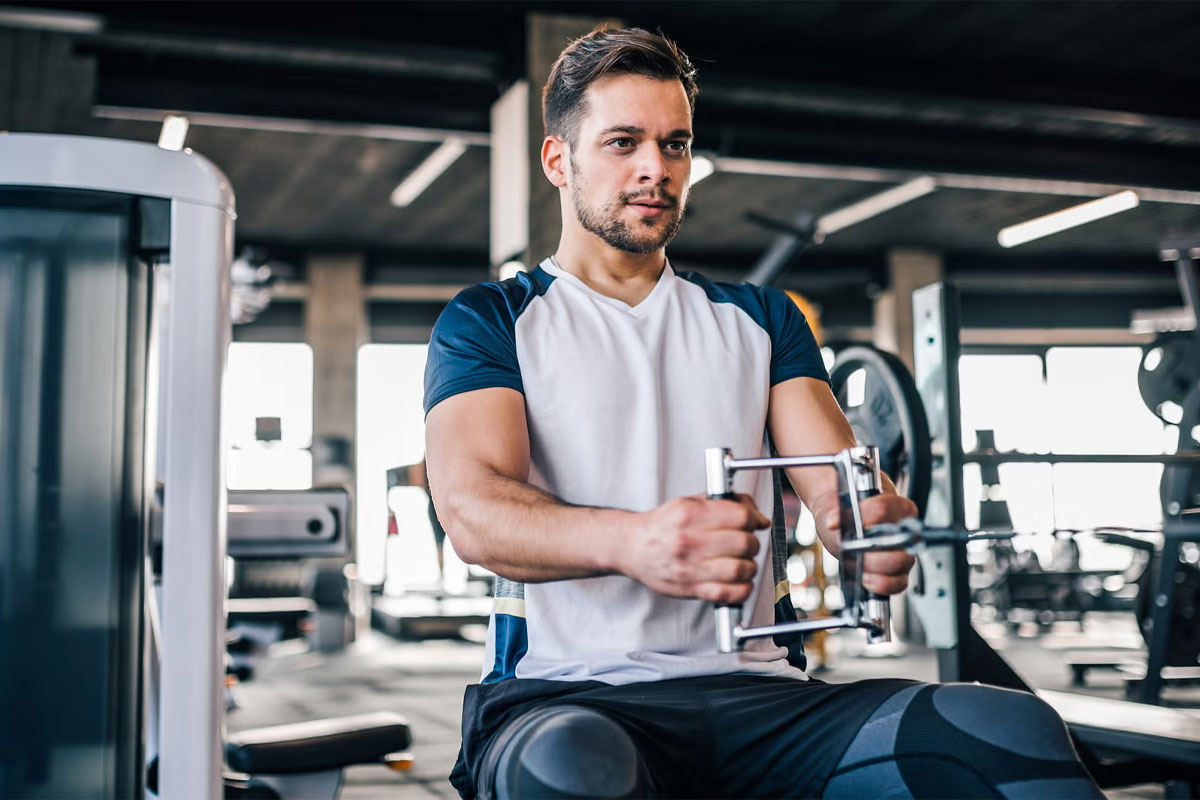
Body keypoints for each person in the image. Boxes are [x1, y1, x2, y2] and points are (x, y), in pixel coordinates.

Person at [423, 26, 1103, 800]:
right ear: (558, 161)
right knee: (570, 770)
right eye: (623, 143)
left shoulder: (763, 320)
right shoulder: (493, 317)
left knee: (1011, 735)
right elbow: (475, 514)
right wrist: (638, 542)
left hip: (765, 696)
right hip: (569, 696)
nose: (656, 168)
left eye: (675, 145)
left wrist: (867, 535)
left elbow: (839, 491)